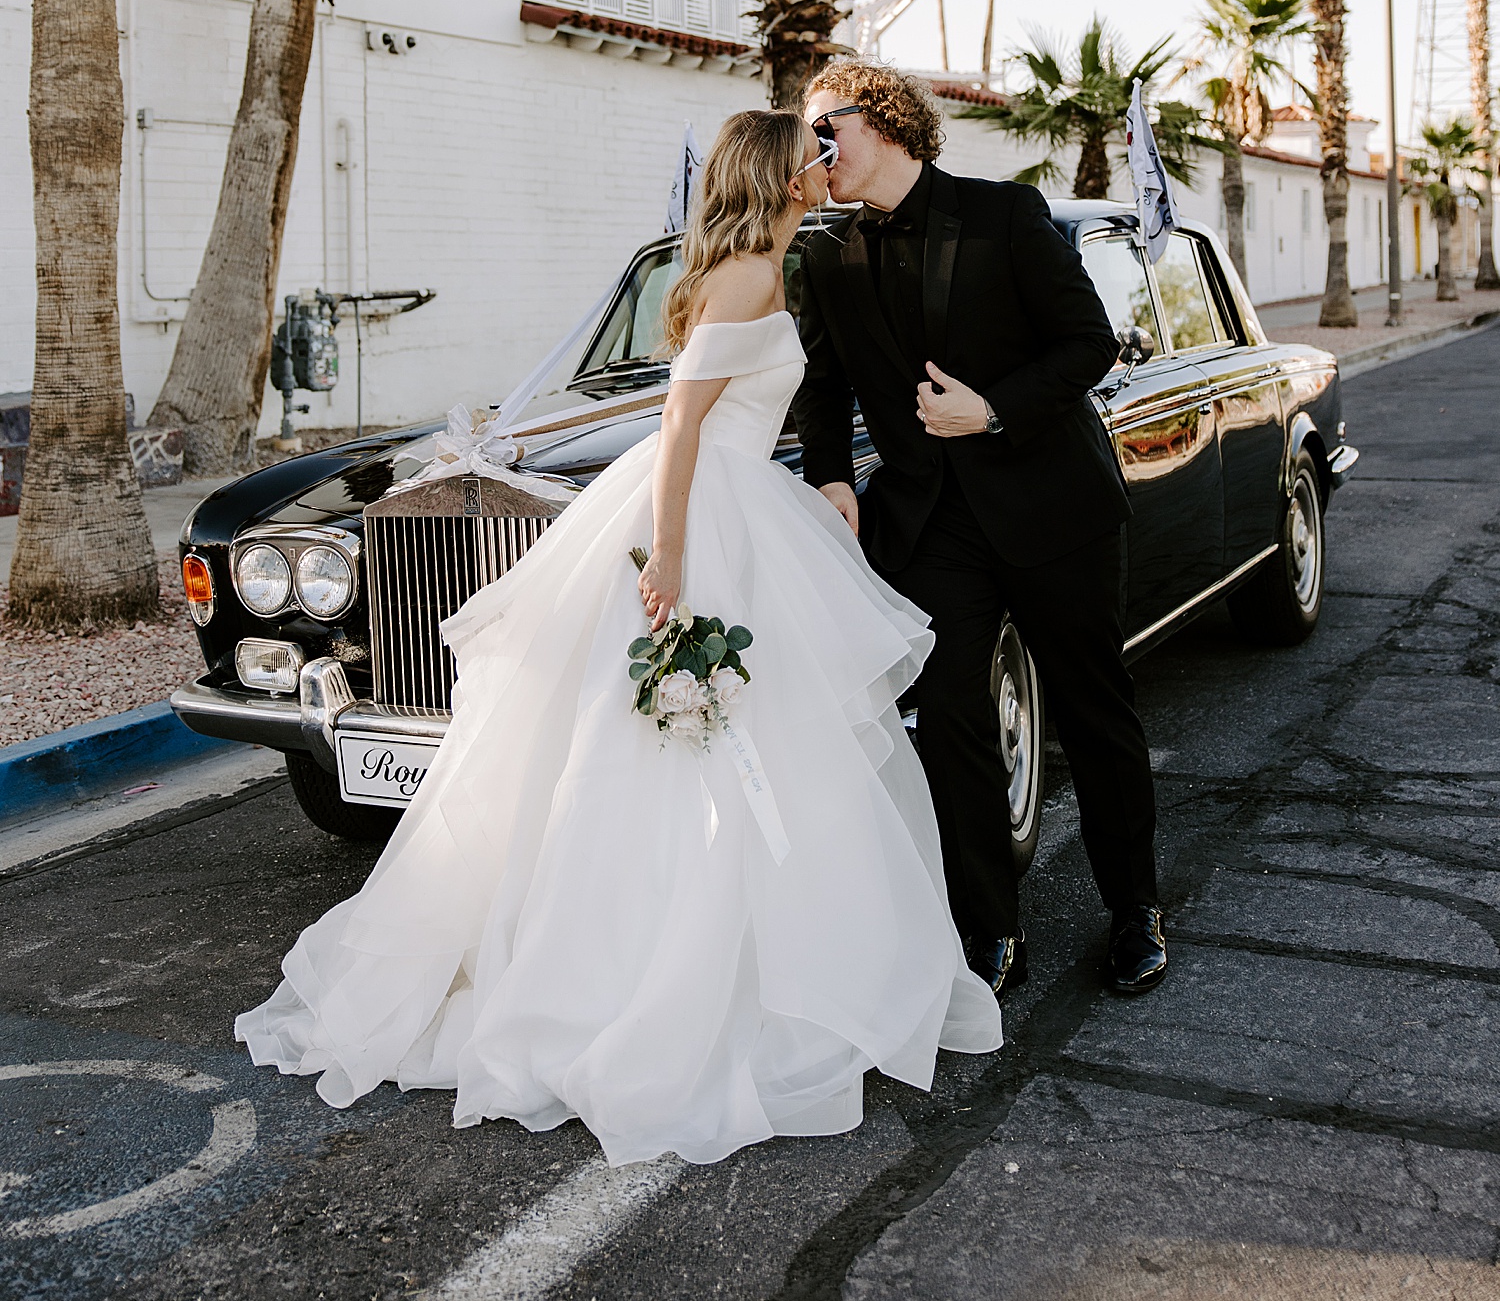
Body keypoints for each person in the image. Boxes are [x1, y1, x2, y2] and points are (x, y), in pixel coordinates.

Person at [236, 110, 1002, 1166]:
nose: (826, 166)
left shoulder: (768, 265)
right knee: (691, 743)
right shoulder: (742, 277)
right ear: (778, 179)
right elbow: (681, 426)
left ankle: (770, 957)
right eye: (810, 157)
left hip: (746, 514)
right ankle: (669, 981)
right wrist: (673, 560)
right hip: (704, 516)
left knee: (745, 742)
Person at [794, 58, 1166, 1001]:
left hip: (1053, 504)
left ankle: (1136, 914)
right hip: (928, 525)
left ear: (880, 121)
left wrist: (992, 411)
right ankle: (989, 933)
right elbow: (824, 386)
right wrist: (835, 478)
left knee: (1093, 709)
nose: (814, 147)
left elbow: (1089, 342)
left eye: (823, 126)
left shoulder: (1006, 214)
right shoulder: (828, 255)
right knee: (953, 717)